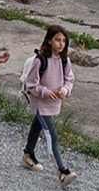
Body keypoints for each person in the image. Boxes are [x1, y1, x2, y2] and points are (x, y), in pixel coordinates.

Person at [20, 27, 77, 180]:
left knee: (37, 125)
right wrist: (44, 92)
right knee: (52, 135)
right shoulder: (40, 60)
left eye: (64, 41)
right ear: (49, 40)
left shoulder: (65, 60)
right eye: (58, 40)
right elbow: (31, 84)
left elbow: (69, 79)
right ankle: (62, 171)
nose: (61, 44)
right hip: (40, 103)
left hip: (53, 103)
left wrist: (65, 90)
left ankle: (28, 154)